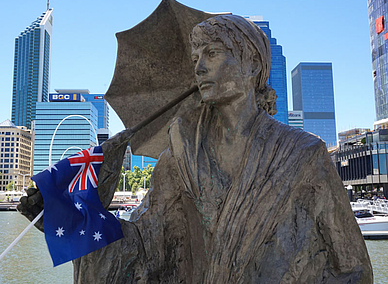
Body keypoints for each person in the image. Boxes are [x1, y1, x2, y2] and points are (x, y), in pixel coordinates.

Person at [19, 15, 372, 283]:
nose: (199, 66)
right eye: (195, 57)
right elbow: (143, 247)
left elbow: (352, 266)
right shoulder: (182, 154)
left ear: (252, 64)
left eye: (213, 53)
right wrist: (70, 217)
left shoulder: (303, 154)